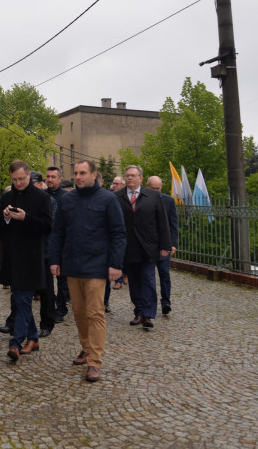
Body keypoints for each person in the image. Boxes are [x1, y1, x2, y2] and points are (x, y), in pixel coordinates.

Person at [49, 159, 125, 383]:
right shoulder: (67, 199)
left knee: (95, 313)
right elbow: (58, 232)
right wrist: (55, 260)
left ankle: (94, 362)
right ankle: (85, 348)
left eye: (83, 173)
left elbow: (119, 234)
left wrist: (116, 265)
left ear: (94, 175)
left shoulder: (108, 200)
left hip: (97, 266)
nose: (79, 177)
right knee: (80, 313)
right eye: (76, 173)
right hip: (72, 265)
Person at [0, 160, 52, 362]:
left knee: (22, 300)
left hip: (31, 257)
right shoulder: (7, 197)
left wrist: (26, 218)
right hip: (11, 256)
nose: (18, 182)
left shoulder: (42, 198)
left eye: (21, 178)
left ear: (29, 176)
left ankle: (16, 343)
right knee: (20, 300)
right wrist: (6, 218)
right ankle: (33, 338)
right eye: (14, 179)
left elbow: (47, 226)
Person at [116, 165, 172, 330]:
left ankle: (148, 314)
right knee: (134, 281)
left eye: (133, 175)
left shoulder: (153, 195)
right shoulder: (117, 196)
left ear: (141, 178)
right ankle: (138, 311)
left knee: (148, 279)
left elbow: (162, 221)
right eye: (127, 176)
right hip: (129, 246)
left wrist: (165, 245)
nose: (130, 178)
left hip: (149, 246)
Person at [146, 175, 179, 315]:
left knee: (164, 273)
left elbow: (173, 224)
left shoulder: (168, 201)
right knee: (148, 276)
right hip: (147, 244)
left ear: (161, 187)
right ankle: (148, 303)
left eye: (157, 189)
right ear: (147, 187)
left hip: (164, 245)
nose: (155, 191)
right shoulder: (142, 200)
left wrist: (173, 244)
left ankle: (166, 301)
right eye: (152, 188)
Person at [45, 166, 69, 325]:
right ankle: (48, 306)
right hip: (45, 243)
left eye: (53, 177)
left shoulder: (67, 197)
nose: (50, 179)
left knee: (62, 280)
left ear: (60, 178)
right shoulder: (41, 196)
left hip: (62, 243)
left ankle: (61, 309)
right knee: (45, 279)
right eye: (48, 176)